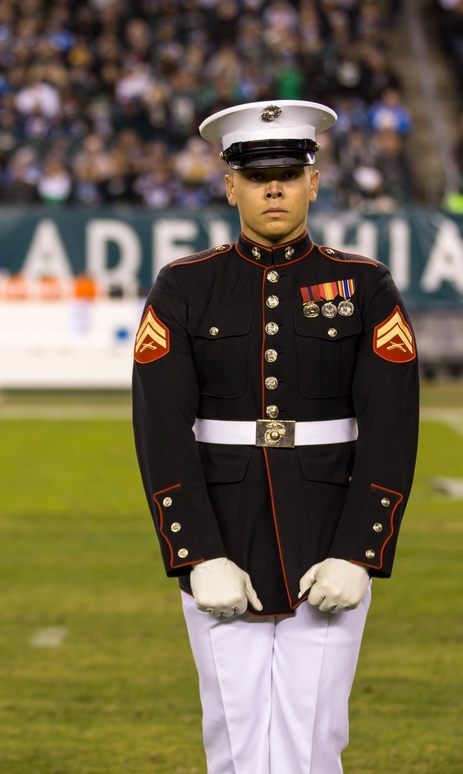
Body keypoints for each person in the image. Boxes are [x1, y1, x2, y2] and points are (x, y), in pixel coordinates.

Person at [131, 100, 419, 774]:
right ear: (229, 184)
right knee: (231, 739)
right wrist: (195, 553)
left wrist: (361, 550)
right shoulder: (184, 286)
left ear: (314, 183)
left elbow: (391, 427)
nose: (274, 189)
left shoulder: (364, 285)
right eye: (257, 176)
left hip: (329, 537)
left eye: (289, 174)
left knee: (313, 741)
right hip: (221, 535)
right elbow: (160, 429)